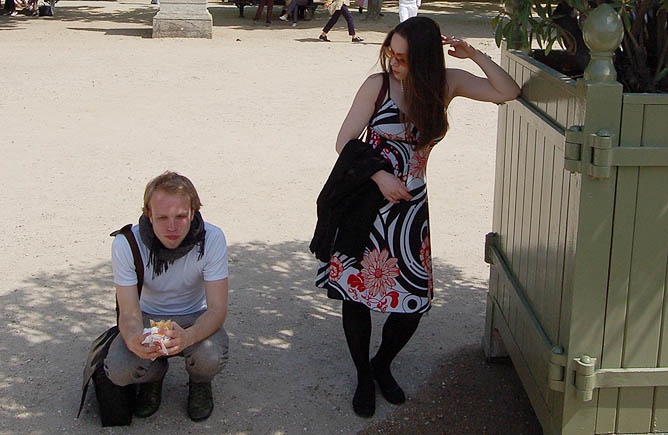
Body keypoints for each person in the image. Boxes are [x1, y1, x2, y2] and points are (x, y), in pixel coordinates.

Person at [311, 17, 520, 418]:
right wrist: (379, 175)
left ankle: (381, 364)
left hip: (410, 212)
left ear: (425, 59)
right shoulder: (378, 85)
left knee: (411, 303)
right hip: (366, 204)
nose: (394, 61)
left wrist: (474, 54)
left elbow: (507, 92)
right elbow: (345, 140)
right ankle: (362, 375)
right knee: (356, 294)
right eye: (390, 51)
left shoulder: (446, 84)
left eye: (403, 56)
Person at [104, 171, 230, 422]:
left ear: (193, 213)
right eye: (162, 218)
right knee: (118, 370)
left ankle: (200, 382)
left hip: (194, 315)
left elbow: (217, 309)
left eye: (181, 217)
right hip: (147, 316)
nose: (171, 227)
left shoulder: (212, 238)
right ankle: (153, 375)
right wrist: (132, 339)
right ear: (149, 215)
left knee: (211, 356)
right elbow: (128, 313)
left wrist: (188, 337)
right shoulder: (127, 243)